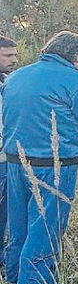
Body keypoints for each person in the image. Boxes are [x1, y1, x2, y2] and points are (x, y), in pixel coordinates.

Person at [3, 31, 78, 284]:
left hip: (14, 162)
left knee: (19, 226)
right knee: (46, 229)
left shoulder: (16, 77)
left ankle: (15, 277)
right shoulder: (75, 80)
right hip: (53, 166)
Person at [0, 36, 18, 271]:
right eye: (8, 56)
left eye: (15, 55)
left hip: (8, 159)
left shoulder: (9, 82)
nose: (14, 60)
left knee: (6, 212)